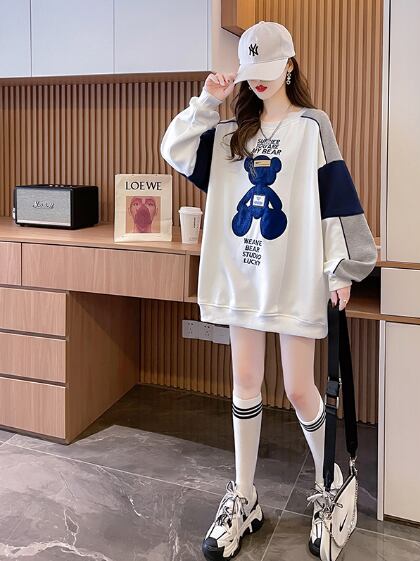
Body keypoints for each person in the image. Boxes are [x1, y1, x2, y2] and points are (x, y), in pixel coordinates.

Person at [160, 20, 377, 561]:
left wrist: (340, 269)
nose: (258, 81)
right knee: (245, 381)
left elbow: (333, 198)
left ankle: (328, 486)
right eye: (250, 72)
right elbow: (175, 147)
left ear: (290, 66)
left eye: (268, 69)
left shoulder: (311, 125)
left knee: (299, 387)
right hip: (243, 274)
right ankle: (243, 495)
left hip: (293, 274)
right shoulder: (231, 135)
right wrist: (207, 102)